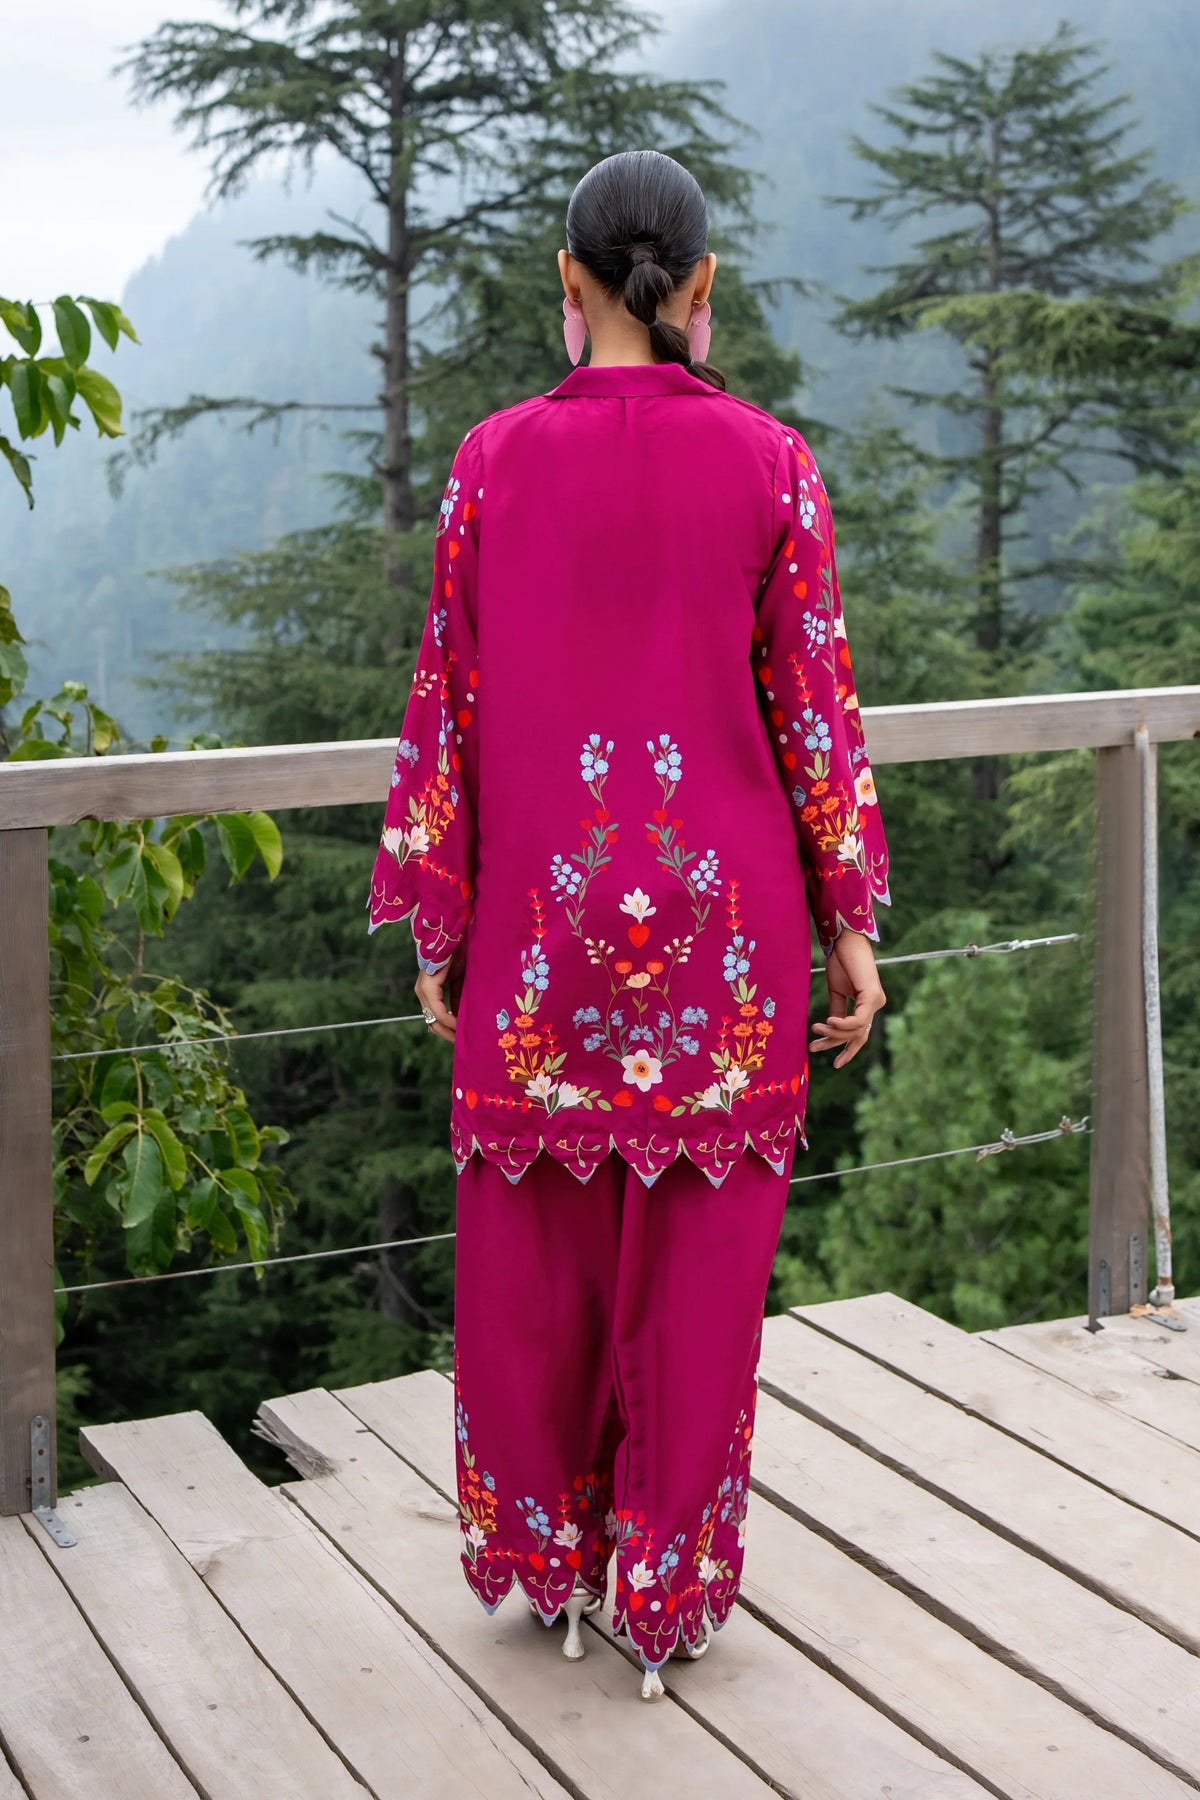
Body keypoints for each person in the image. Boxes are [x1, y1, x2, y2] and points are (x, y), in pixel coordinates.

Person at [368, 148, 891, 1702]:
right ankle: (668, 1586)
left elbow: (448, 708)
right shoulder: (772, 465)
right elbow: (815, 715)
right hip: (725, 939)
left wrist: (441, 924)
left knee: (536, 1270)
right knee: (703, 1279)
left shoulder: (491, 462)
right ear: (702, 285)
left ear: (568, 278)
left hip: (541, 932)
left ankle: (550, 1565)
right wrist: (850, 923)